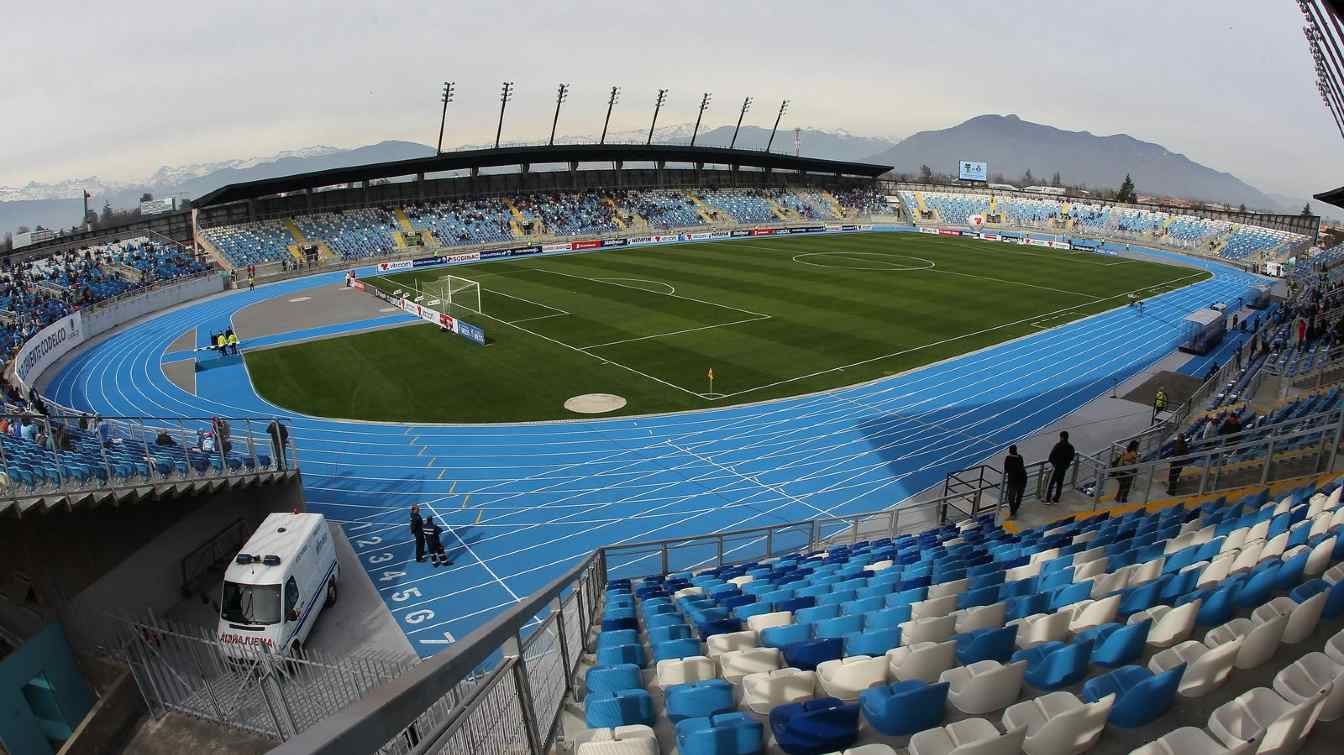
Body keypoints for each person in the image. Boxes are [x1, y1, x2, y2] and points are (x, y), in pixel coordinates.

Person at [1045, 431, 1075, 504]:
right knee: (1060, 484)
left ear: (1061, 437)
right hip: (1063, 468)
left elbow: (1051, 457)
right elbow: (1071, 457)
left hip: (1056, 468)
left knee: (1051, 484)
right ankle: (1056, 499)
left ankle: (1048, 499)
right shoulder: (1070, 447)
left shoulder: (1058, 445)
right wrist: (1066, 465)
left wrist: (1054, 464)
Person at [1003, 445, 1027, 518]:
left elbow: (1006, 469)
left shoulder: (1008, 458)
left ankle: (1013, 512)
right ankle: (1015, 509)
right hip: (1022, 479)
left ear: (1010, 451)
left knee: (1011, 497)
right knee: (1019, 496)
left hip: (1013, 481)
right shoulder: (1020, 457)